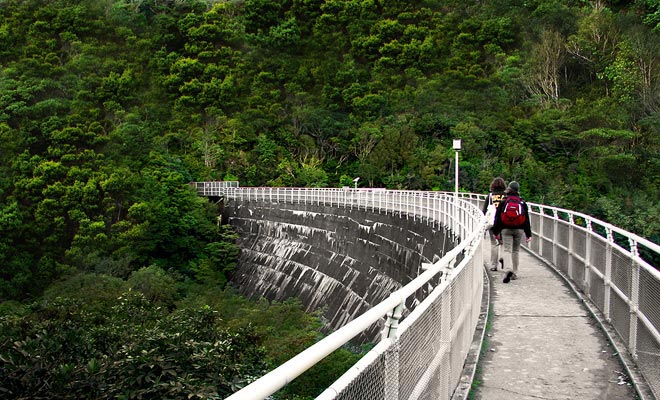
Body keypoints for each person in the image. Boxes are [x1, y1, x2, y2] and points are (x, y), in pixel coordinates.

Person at [492, 181, 532, 283]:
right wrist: (528, 234)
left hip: (506, 229)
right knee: (516, 251)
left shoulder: (504, 201)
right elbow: (526, 219)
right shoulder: (522, 202)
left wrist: (496, 232)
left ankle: (508, 269)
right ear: (518, 190)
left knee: (507, 250)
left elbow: (498, 218)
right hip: (519, 229)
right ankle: (515, 272)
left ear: (509, 189)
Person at [482, 177, 507, 271]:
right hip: (504, 222)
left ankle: (493, 265)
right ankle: (503, 258)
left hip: (493, 223)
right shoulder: (506, 196)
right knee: (504, 243)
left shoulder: (490, 196)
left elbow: (484, 211)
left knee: (494, 244)